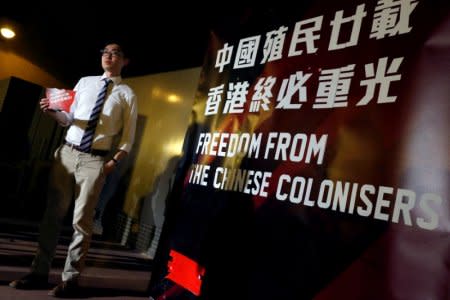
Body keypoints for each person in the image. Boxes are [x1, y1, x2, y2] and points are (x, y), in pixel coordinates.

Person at [9, 42, 138, 298]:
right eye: (105, 52)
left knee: (81, 221)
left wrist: (112, 163)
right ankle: (38, 273)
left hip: (95, 161)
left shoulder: (127, 94)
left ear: (125, 61)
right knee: (52, 216)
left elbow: (129, 137)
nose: (108, 56)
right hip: (67, 153)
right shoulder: (85, 82)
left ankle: (71, 280)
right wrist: (54, 113)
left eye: (115, 53)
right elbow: (69, 119)